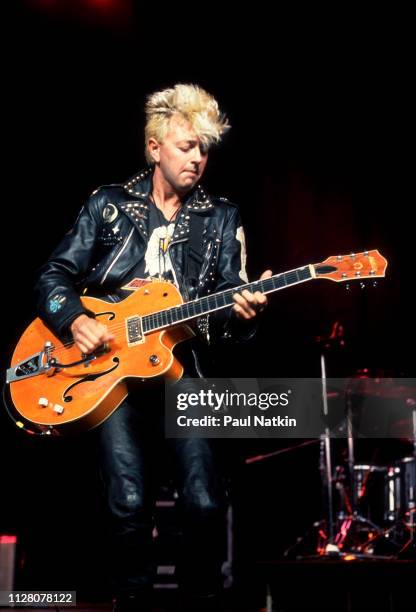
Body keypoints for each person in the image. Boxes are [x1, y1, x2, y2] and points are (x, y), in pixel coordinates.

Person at [34, 83, 271, 611]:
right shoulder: (108, 205)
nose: (197, 158)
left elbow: (228, 322)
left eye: (204, 148)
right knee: (129, 502)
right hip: (109, 375)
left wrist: (245, 314)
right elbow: (53, 275)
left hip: (180, 371)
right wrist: (76, 319)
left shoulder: (222, 217)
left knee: (206, 502)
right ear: (153, 146)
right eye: (186, 146)